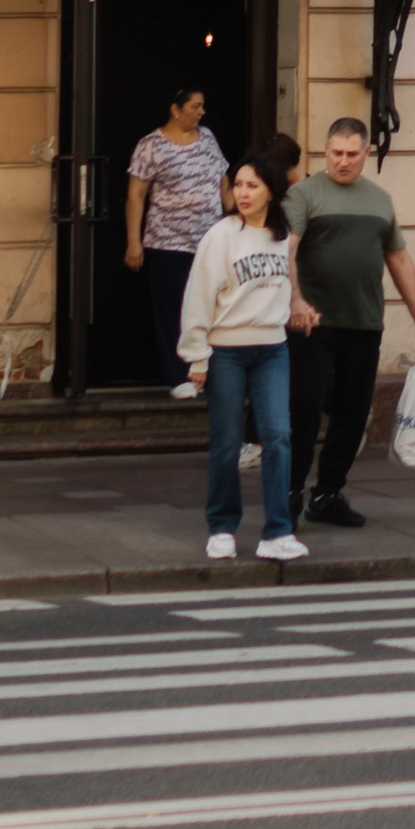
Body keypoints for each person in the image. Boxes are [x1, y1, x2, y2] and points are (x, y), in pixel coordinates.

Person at [284, 116, 415, 527]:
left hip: (364, 323)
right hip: (312, 324)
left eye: (353, 154)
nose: (344, 161)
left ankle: (328, 494)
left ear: (366, 154)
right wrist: (294, 299)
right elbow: (288, 249)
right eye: (336, 153)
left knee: (352, 414)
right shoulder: (304, 194)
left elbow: (399, 259)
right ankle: (290, 493)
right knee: (304, 409)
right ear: (325, 150)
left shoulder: (379, 200)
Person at [179, 152, 307, 563]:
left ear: (271, 189)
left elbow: (288, 286)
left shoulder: (281, 236)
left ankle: (277, 532)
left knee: (278, 437)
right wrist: (197, 356)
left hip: (273, 348)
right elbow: (197, 296)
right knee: (227, 442)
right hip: (226, 353)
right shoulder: (221, 235)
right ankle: (221, 526)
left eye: (252, 185)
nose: (243, 192)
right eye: (238, 185)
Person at [124, 83, 232, 392]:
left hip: (210, 240)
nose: (201, 112)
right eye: (195, 106)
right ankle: (178, 378)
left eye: (202, 106)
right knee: (174, 309)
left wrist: (235, 218)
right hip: (167, 240)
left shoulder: (208, 137)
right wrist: (134, 241)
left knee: (210, 306)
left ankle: (209, 375)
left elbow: (222, 179)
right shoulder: (151, 145)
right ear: (176, 109)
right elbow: (136, 195)